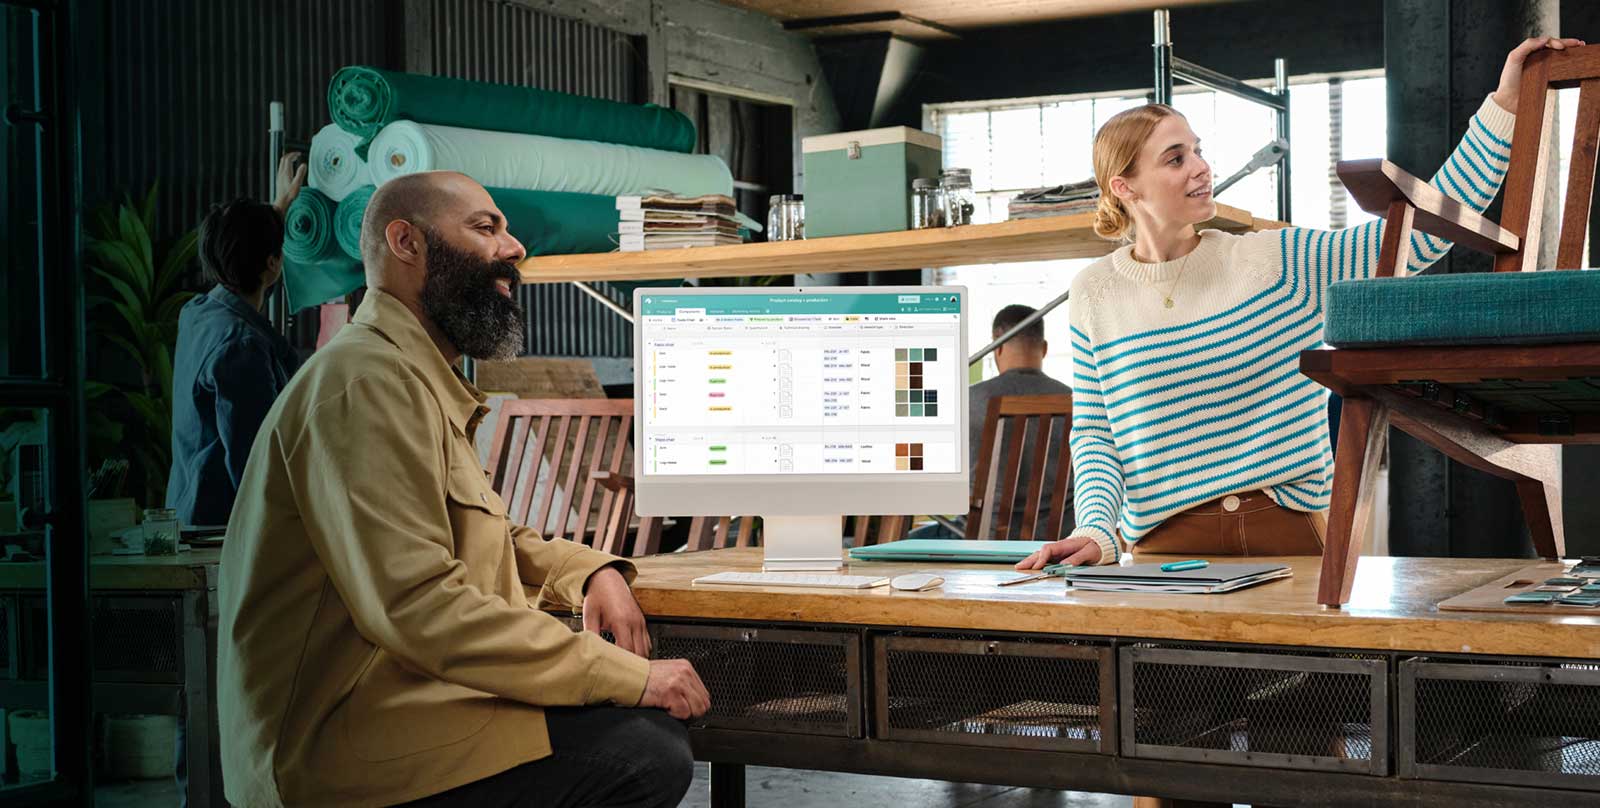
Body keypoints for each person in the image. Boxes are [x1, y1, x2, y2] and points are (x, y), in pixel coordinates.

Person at [217, 170, 709, 807]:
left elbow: (485, 533)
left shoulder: (410, 378)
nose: (515, 248)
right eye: (486, 228)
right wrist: (626, 675)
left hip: (404, 703)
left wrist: (588, 572)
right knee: (644, 754)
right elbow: (419, 604)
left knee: (639, 736)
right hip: (340, 745)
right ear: (406, 242)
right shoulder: (366, 386)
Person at [1018, 37, 1582, 573]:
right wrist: (1094, 531)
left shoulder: (1274, 262)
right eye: (1174, 158)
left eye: (1198, 150)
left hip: (1290, 531)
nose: (1200, 167)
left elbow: (1419, 234)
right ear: (1125, 188)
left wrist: (1505, 103)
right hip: (1163, 548)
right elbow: (1095, 434)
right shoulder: (1095, 292)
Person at [166, 152, 307, 527]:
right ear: (274, 263)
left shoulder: (197, 313)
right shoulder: (242, 349)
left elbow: (246, 273)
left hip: (187, 512)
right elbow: (254, 465)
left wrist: (278, 209)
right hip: (220, 530)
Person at [908, 304, 1072, 539]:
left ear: (997, 346)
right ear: (1044, 349)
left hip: (980, 540)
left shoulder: (968, 401)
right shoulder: (1077, 401)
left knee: (913, 538)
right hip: (1056, 543)